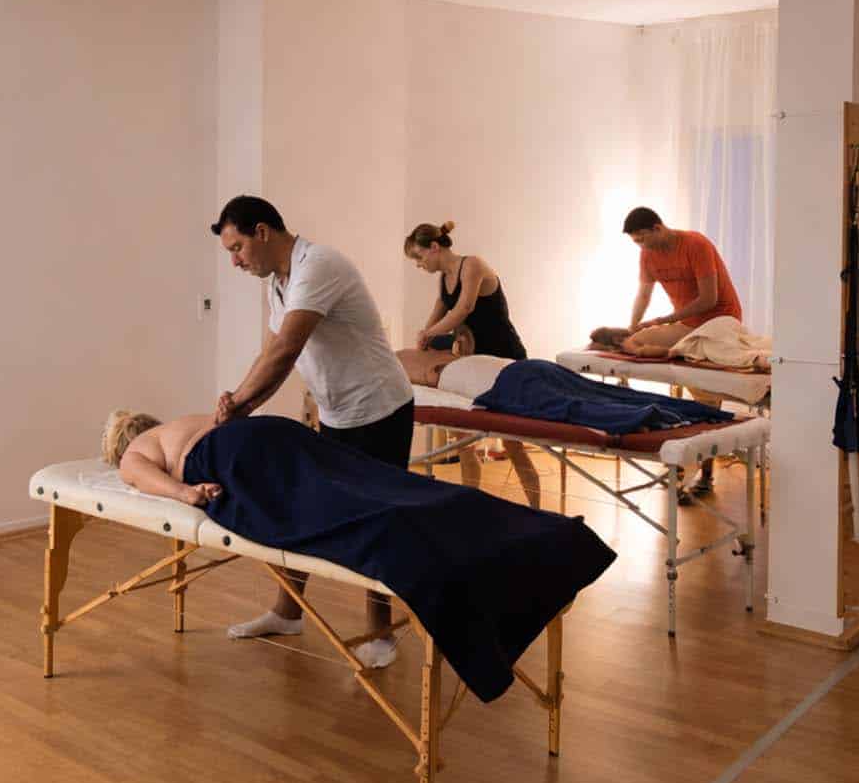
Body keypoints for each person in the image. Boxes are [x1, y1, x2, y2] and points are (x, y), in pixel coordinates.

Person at [101, 408, 617, 702]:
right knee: (380, 486)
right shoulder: (184, 420)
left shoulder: (136, 451)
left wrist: (188, 493)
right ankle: (534, 533)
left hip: (233, 460)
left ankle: (463, 555)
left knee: (345, 515)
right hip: (277, 432)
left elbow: (145, 477)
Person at [211, 195, 414, 669]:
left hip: (380, 409)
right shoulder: (279, 284)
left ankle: (382, 634)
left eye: (237, 248)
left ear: (263, 232)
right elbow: (270, 354)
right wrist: (238, 401)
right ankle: (287, 613)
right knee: (305, 506)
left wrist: (239, 405)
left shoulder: (318, 265)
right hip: (337, 412)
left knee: (375, 519)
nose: (235, 261)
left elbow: (287, 349)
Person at [404, 221, 541, 507]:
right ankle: (470, 508)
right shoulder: (444, 279)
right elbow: (437, 315)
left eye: (419, 257)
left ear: (434, 247)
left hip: (506, 360)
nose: (419, 264)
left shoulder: (473, 265)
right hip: (475, 365)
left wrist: (430, 333)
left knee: (513, 444)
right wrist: (423, 339)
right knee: (464, 443)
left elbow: (463, 308)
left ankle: (536, 508)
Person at [590, 207, 743, 357]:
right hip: (688, 324)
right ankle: (639, 342)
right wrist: (633, 327)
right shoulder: (647, 255)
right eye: (636, 242)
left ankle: (665, 349)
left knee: (636, 342)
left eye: (642, 239)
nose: (641, 246)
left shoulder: (696, 244)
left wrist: (661, 321)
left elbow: (708, 300)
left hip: (721, 320)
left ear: (657, 228)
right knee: (634, 340)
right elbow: (643, 296)